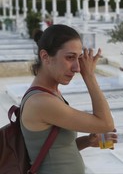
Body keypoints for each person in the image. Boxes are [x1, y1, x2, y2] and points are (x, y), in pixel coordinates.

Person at [20, 24, 117, 174]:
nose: (77, 68)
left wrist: (88, 141)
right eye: (70, 57)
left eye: (78, 58)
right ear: (45, 57)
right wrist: (90, 76)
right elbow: (106, 124)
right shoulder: (41, 102)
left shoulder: (51, 93)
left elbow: (55, 151)